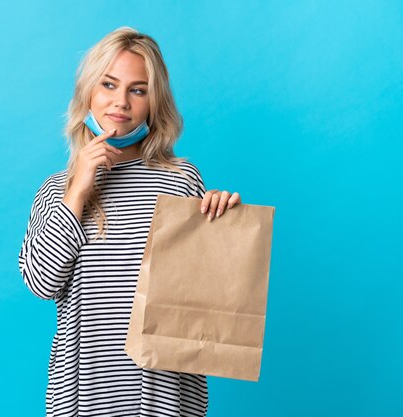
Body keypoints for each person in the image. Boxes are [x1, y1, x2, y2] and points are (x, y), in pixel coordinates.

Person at [18, 26, 241, 417]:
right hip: (83, 401)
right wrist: (77, 193)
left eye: (137, 90)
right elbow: (41, 282)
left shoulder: (181, 178)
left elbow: (202, 297)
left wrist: (220, 223)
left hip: (168, 398)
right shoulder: (57, 189)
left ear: (153, 102)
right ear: (88, 90)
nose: (120, 101)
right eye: (108, 84)